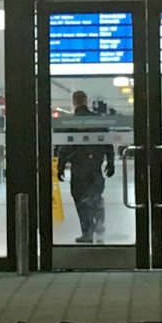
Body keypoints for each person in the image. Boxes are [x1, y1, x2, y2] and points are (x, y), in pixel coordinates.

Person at [59, 90, 113, 245]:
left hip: (79, 168)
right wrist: (110, 162)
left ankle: (87, 233)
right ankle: (100, 226)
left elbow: (65, 146)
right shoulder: (98, 120)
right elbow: (107, 142)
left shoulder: (71, 122)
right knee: (96, 196)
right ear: (86, 100)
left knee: (81, 200)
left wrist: (61, 166)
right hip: (96, 166)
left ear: (74, 102)